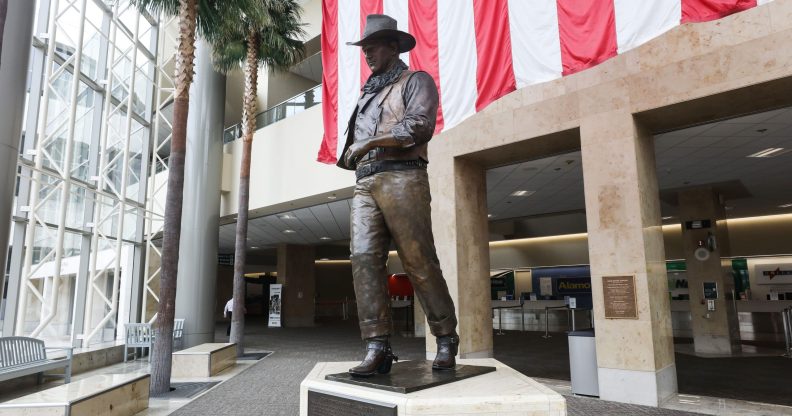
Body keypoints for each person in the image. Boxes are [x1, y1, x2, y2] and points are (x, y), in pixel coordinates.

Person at [337, 14, 459, 377]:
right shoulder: (368, 92)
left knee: (418, 261)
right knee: (362, 258)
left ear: (393, 46)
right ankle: (378, 345)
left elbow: (418, 126)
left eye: (373, 47)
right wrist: (355, 152)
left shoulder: (415, 80)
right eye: (364, 49)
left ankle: (445, 336)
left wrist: (369, 142)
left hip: (403, 177)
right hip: (365, 182)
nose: (368, 54)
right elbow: (352, 146)